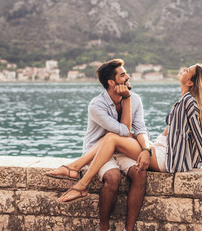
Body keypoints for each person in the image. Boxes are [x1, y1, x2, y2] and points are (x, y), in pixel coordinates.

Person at [56, 63, 202, 205]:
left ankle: (81, 184)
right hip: (159, 149)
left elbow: (199, 134)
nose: (183, 69)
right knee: (125, 136)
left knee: (112, 137)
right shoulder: (186, 100)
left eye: (187, 70)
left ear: (190, 82)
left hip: (165, 158)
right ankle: (74, 167)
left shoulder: (188, 102)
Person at [45, 59, 151, 231]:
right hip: (97, 151)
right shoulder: (96, 105)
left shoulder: (135, 100)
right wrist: (127, 100)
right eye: (123, 75)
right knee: (113, 177)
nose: (128, 77)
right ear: (111, 82)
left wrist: (146, 149)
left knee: (140, 173)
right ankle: (103, 227)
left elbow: (140, 128)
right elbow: (123, 131)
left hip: (121, 149)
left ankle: (129, 229)